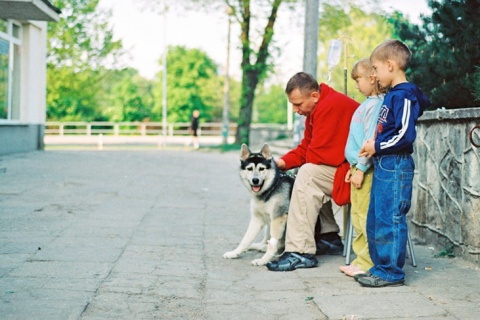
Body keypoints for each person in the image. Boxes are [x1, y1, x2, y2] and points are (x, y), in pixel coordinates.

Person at [266, 72, 359, 272]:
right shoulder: (316, 109)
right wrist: (280, 163)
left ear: (314, 96)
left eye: (298, 104)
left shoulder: (330, 106)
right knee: (309, 173)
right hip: (347, 168)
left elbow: (320, 156)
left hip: (362, 172)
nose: (295, 110)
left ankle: (300, 251)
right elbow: (307, 147)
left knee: (308, 175)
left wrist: (295, 164)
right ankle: (329, 236)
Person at [357, 40, 431, 287]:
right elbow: (389, 131)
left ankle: (391, 272)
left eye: (376, 69)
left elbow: (405, 135)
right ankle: (379, 268)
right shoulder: (392, 96)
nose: (374, 75)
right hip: (383, 163)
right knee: (376, 218)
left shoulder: (405, 96)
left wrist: (376, 146)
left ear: (390, 66)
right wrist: (373, 143)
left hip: (395, 165)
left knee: (391, 218)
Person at [339, 58, 385, 278]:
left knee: (364, 217)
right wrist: (354, 166)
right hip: (357, 167)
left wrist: (361, 169)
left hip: (365, 171)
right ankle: (360, 259)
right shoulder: (367, 104)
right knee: (356, 215)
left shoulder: (375, 106)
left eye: (359, 80)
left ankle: (366, 262)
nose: (356, 85)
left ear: (372, 79)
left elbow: (370, 138)